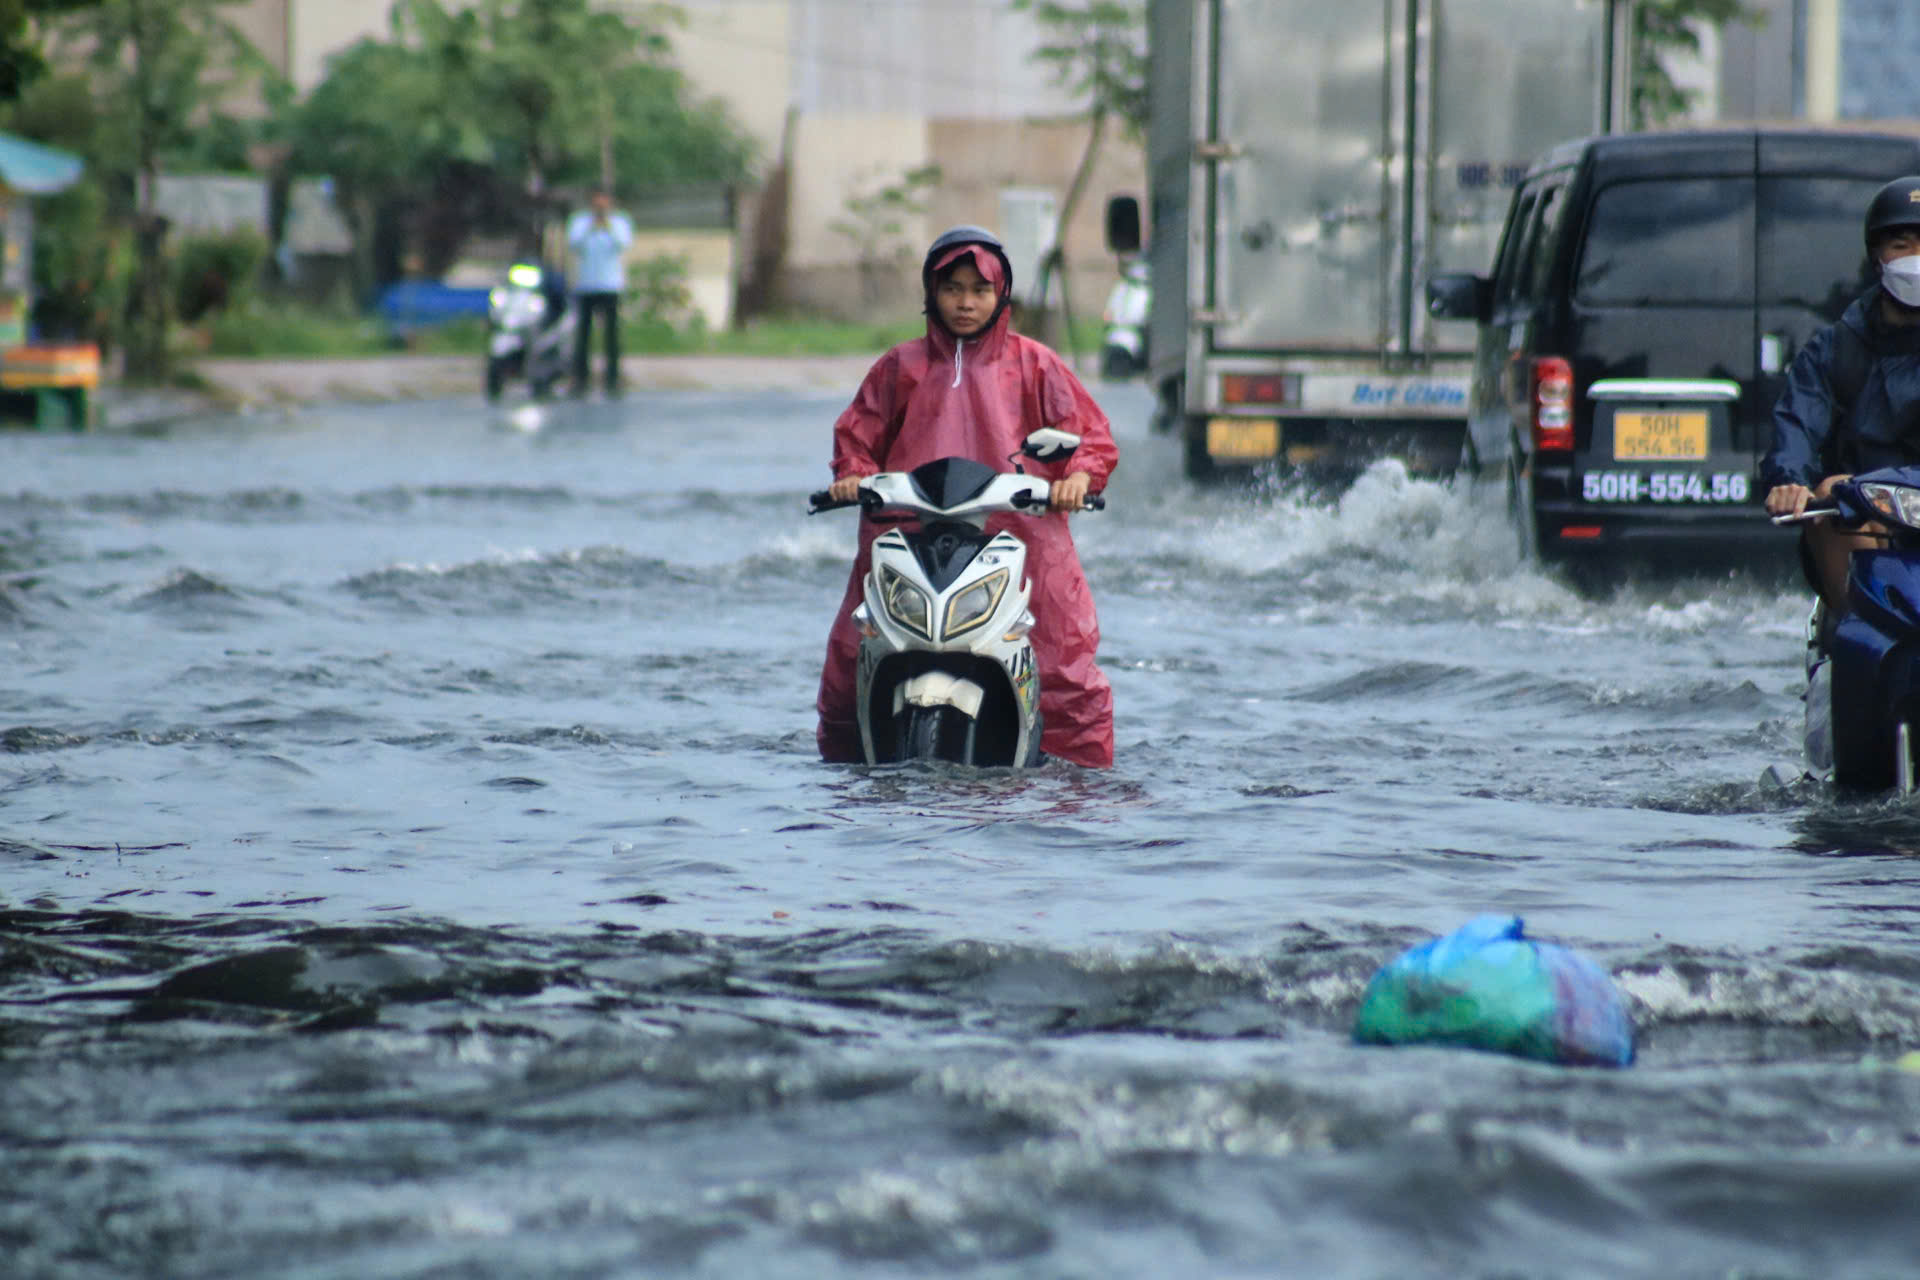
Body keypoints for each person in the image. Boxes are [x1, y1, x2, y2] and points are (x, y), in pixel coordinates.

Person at [815, 225, 1120, 767]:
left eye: (979, 290)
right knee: (851, 658)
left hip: (1020, 536)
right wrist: (853, 474)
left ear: (1001, 296)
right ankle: (849, 771)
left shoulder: (1035, 363)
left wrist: (1079, 477)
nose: (965, 302)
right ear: (931, 292)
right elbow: (857, 437)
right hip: (905, 532)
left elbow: (1090, 437)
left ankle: (1079, 789)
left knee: (1064, 666)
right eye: (952, 288)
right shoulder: (899, 366)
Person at [1763, 175, 1920, 617]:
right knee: (1832, 491)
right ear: (1877, 257)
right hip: (1865, 514)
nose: (1915, 260)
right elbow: (1796, 423)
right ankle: (1852, 626)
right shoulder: (1835, 351)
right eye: (1902, 246)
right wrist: (1787, 482)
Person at [565, 188, 633, 395]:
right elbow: (574, 244)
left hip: (610, 285)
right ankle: (580, 379)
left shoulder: (619, 222)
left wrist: (608, 226)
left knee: (611, 336)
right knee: (583, 336)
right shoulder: (580, 222)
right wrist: (591, 227)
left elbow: (623, 244)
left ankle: (612, 378)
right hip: (586, 285)